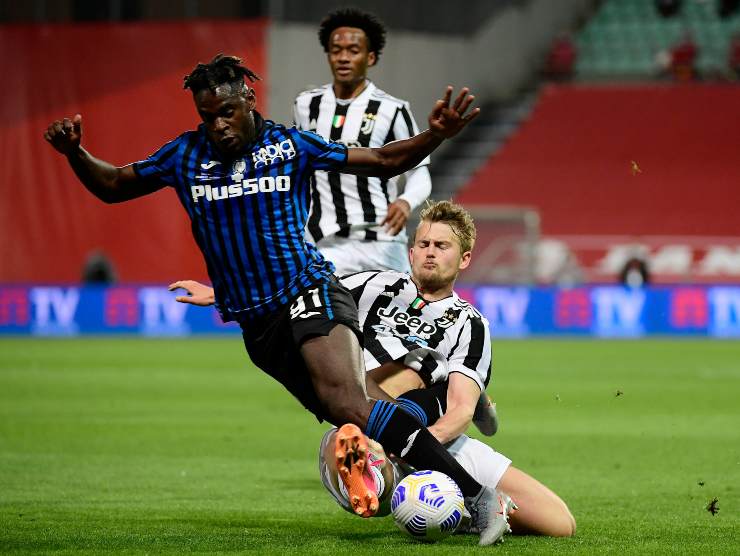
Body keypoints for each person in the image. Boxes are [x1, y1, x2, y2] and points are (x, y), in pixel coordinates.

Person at [44, 53, 513, 546]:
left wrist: (435, 134)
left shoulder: (288, 145)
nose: (219, 125)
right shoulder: (185, 156)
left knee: (346, 399)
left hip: (308, 291)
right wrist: (76, 153)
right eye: (208, 116)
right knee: (354, 410)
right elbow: (115, 185)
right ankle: (434, 392)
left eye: (227, 111)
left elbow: (382, 162)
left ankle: (478, 498)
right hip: (257, 323)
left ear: (249, 98)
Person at [170, 200, 576, 538]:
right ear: (411, 252)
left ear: (465, 258)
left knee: (559, 524)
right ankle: (378, 480)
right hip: (365, 422)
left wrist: (419, 450)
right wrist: (223, 296)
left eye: (443, 245)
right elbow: (297, 295)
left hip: (436, 443)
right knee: (350, 440)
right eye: (424, 244)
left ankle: (438, 503)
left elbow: (458, 412)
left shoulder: (469, 323)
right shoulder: (371, 284)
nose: (431, 251)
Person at [294, 8, 432, 275]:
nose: (343, 58)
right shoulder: (305, 105)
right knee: (325, 317)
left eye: (353, 51)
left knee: (395, 316)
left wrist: (405, 202)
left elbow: (420, 170)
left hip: (382, 241)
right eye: (336, 50)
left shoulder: (392, 109)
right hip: (326, 244)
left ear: (370, 57)